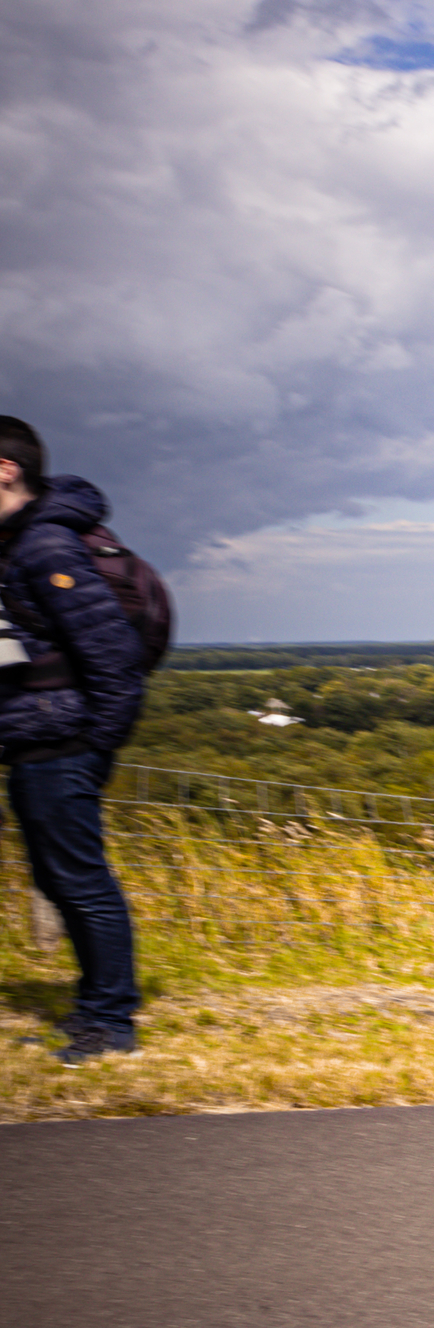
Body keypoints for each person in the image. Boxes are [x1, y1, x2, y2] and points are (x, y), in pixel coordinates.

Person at [0, 416, 147, 1060]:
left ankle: (111, 1025)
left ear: (4, 470)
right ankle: (95, 1010)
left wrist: (96, 750)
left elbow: (114, 660)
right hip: (38, 743)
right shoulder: (18, 544)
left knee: (82, 883)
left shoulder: (46, 549)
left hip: (64, 747)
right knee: (63, 880)